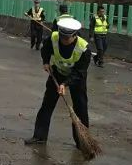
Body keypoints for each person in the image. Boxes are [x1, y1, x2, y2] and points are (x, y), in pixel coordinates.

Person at [25, 17, 91, 148]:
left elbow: (79, 72)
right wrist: (45, 62)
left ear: (75, 35)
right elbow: (46, 49)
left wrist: (65, 84)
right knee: (47, 105)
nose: (64, 41)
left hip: (76, 79)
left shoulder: (84, 49)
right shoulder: (54, 38)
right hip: (57, 73)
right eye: (62, 37)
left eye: (67, 38)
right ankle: (39, 136)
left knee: (80, 109)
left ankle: (82, 142)